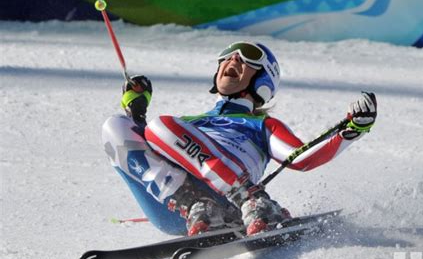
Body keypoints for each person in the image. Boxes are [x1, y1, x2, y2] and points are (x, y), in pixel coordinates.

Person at [102, 41, 377, 236]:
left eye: (246, 57)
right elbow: (139, 150)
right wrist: (136, 112)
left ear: (263, 80)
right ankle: (194, 204)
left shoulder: (260, 124)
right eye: (227, 56)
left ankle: (252, 200)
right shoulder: (186, 124)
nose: (232, 60)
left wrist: (351, 130)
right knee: (116, 125)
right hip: (174, 210)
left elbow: (301, 158)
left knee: (158, 126)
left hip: (231, 203)